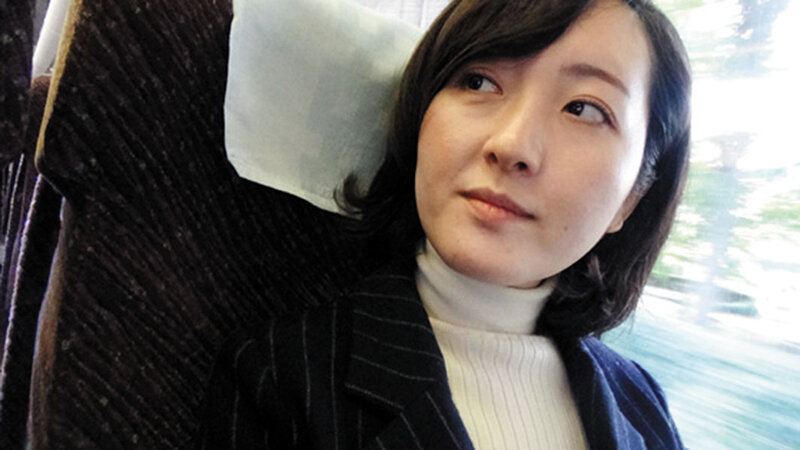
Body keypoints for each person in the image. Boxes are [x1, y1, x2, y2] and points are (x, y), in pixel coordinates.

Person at [199, 0, 691, 448]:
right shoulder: (282, 376)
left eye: (583, 109)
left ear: (632, 199)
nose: (512, 145)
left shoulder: (641, 403)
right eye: (479, 82)